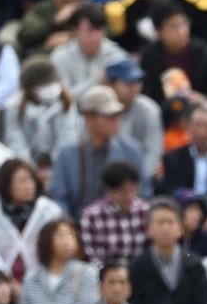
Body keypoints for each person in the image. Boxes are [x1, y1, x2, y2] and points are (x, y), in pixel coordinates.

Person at [52, 89, 148, 217]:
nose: (116, 121)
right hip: (78, 226)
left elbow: (144, 193)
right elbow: (59, 198)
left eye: (117, 115)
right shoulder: (67, 153)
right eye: (109, 116)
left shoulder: (131, 150)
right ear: (89, 118)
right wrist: (69, 227)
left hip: (123, 226)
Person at [130, 197, 207, 304]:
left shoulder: (194, 264)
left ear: (180, 228)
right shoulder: (136, 267)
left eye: (171, 222)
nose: (166, 228)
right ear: (148, 229)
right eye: (160, 223)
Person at [0, 157, 64, 280]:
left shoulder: (49, 211)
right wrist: (6, 283)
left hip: (44, 283)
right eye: (22, 181)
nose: (30, 185)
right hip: (4, 286)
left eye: (31, 179)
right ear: (7, 186)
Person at [19, 219, 100, 304]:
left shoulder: (87, 272)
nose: (67, 241)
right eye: (60, 235)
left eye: (71, 234)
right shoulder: (32, 278)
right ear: (46, 240)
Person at [141, 1, 207, 104]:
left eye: (184, 23)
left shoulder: (205, 54)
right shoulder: (149, 57)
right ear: (159, 32)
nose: (182, 31)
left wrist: (202, 99)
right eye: (174, 27)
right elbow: (149, 94)